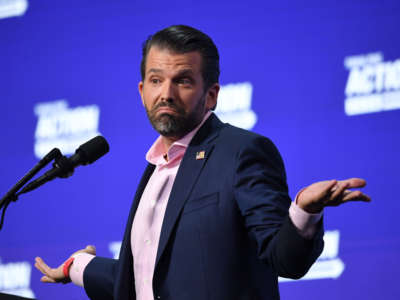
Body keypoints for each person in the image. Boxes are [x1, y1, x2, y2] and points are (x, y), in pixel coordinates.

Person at [34, 25, 370, 300]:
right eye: (155, 80)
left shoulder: (242, 152)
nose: (165, 93)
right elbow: (148, 282)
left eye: (182, 80)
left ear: (211, 95)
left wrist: (303, 212)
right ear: (141, 91)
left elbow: (285, 259)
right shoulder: (155, 168)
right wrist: (77, 266)